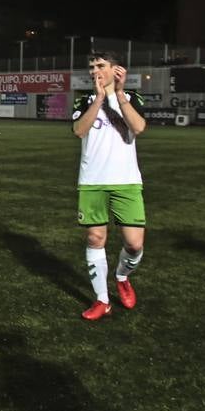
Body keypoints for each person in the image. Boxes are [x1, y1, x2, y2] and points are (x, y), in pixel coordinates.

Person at [71, 52, 147, 320]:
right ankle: (102, 300)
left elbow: (138, 127)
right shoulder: (84, 99)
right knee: (95, 238)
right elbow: (79, 130)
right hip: (92, 180)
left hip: (126, 181)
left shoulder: (132, 98)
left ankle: (122, 276)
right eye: (92, 67)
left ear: (116, 69)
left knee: (135, 244)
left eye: (100, 66)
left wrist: (118, 95)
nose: (95, 71)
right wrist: (100, 99)